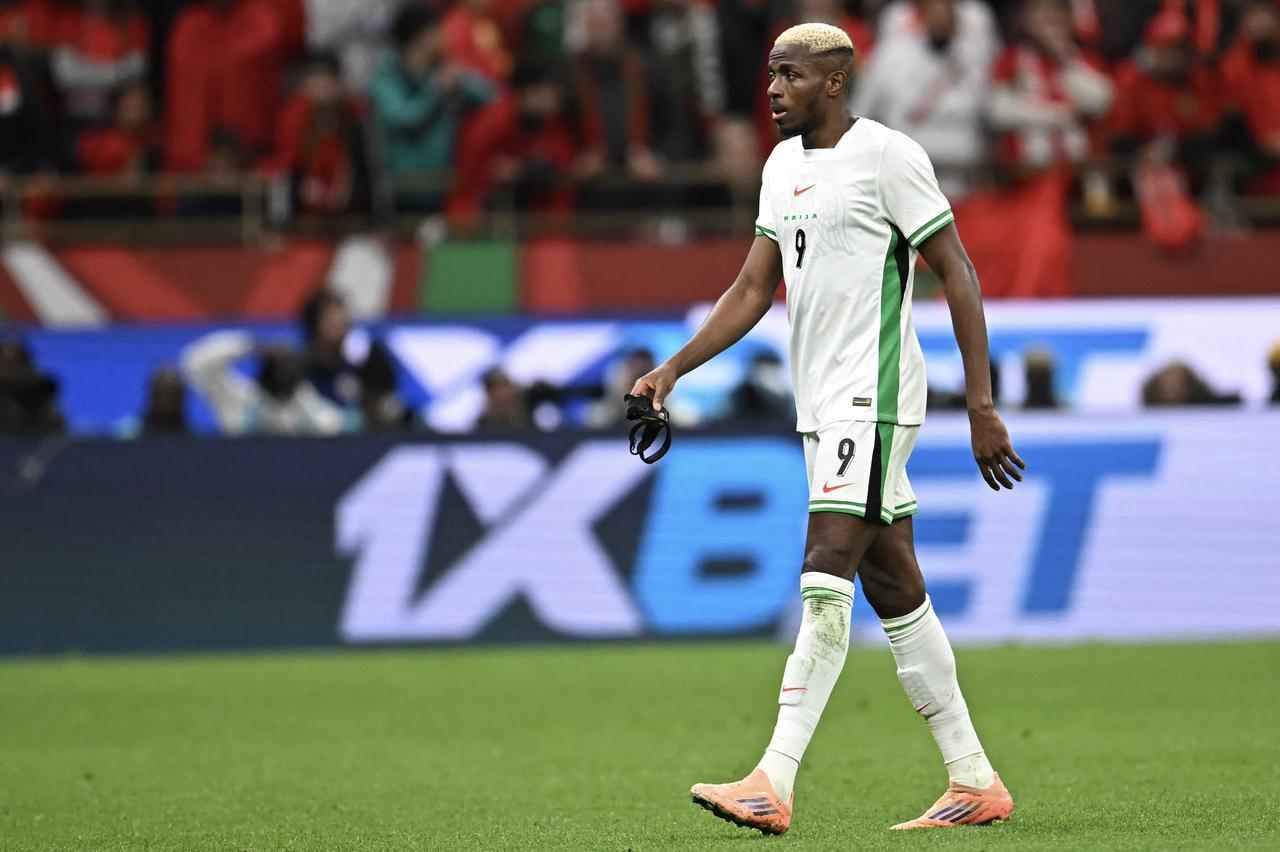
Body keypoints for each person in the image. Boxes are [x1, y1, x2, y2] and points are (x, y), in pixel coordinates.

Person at [629, 23, 1023, 835]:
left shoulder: (888, 155)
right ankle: (974, 778)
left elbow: (957, 268)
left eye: (791, 76)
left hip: (871, 398)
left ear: (835, 81)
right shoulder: (781, 167)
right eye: (771, 74)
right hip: (823, 404)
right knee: (894, 587)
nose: (772, 89)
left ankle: (773, 778)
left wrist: (979, 402)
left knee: (825, 569)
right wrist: (674, 368)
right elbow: (749, 288)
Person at [181, 329, 347, 436]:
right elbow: (195, 363)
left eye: (289, 366)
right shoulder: (239, 399)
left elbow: (335, 427)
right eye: (277, 367)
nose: (283, 374)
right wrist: (252, 345)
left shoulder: (308, 404)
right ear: (264, 371)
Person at [298, 288, 359, 408]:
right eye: (335, 326)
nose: (343, 333)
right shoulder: (297, 375)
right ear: (315, 325)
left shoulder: (353, 373)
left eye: (344, 325)